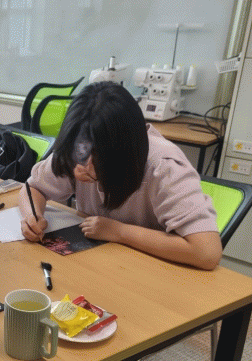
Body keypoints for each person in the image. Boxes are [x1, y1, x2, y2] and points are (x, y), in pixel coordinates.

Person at [19, 81, 222, 271]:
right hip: (98, 263)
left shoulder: (164, 167)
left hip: (151, 270)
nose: (79, 169)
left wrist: (119, 232)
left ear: (120, 155)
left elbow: (207, 252)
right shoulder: (80, 147)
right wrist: (32, 215)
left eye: (93, 162)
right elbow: (33, 188)